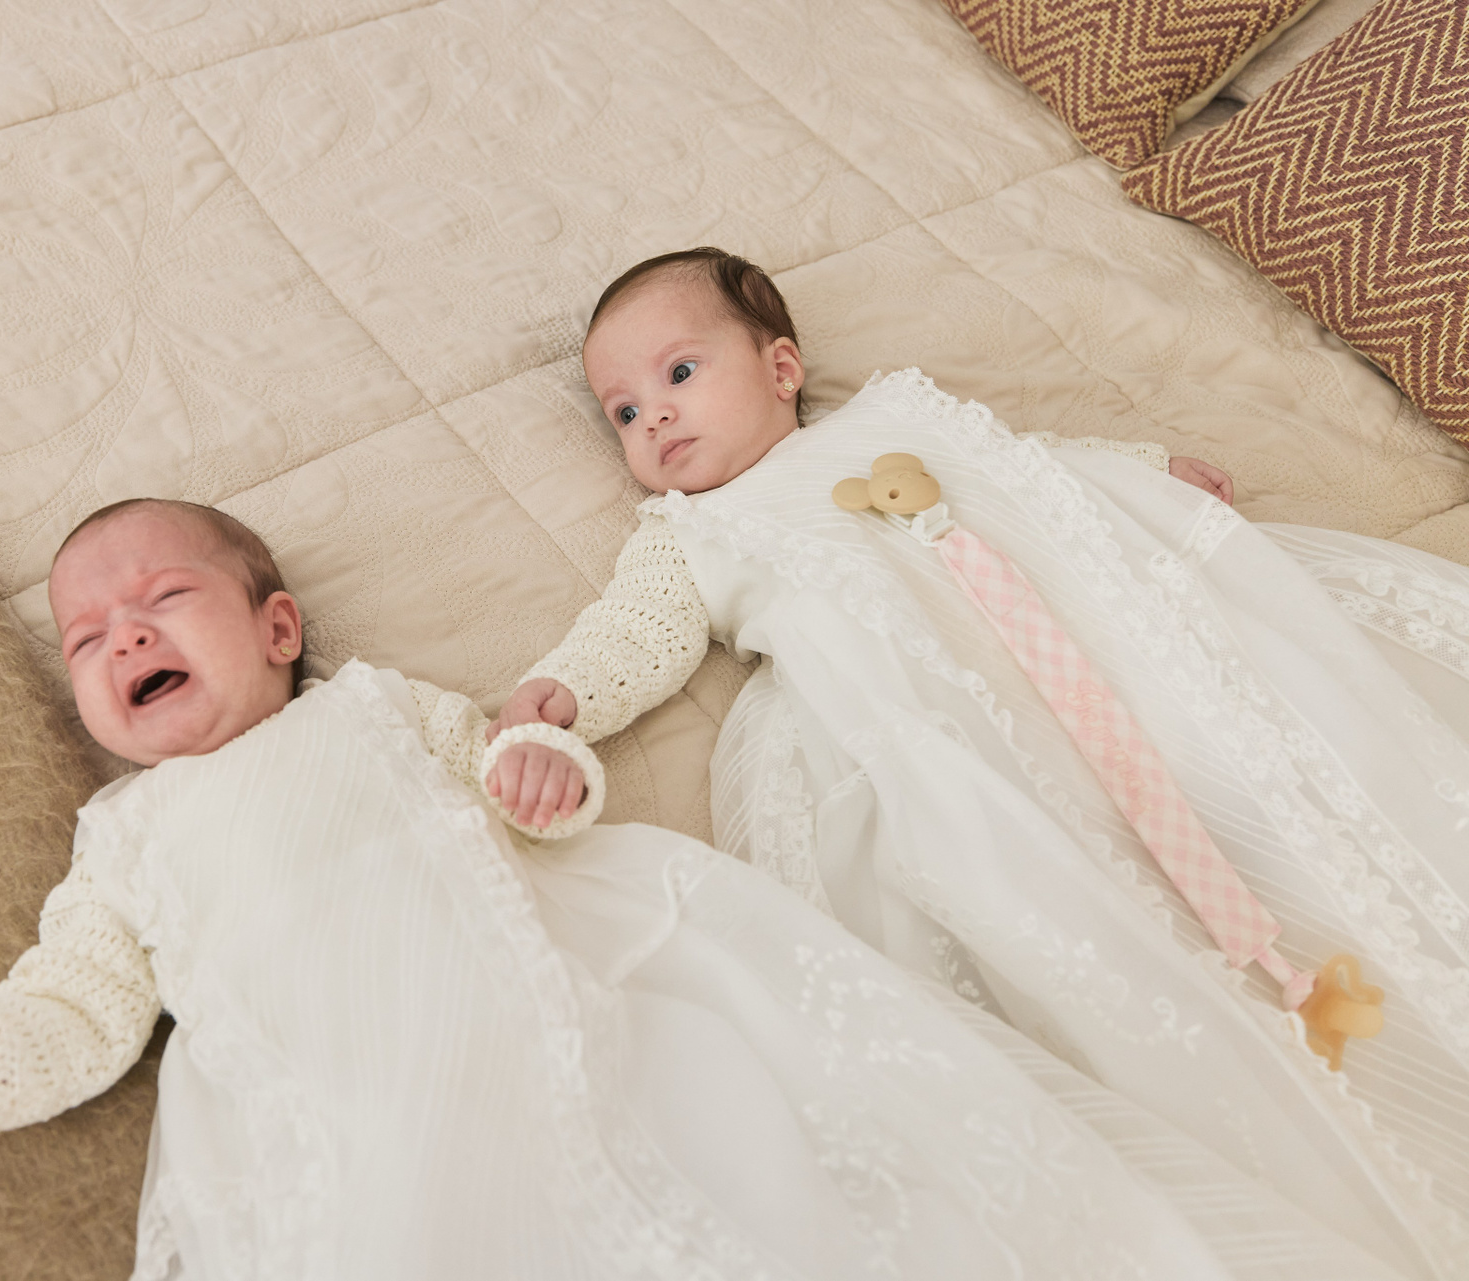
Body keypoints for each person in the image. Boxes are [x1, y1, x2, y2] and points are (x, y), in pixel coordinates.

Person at [0, 499, 1410, 1280]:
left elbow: (510, 770)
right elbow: (80, 1002)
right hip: (342, 1087)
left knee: (753, 1158)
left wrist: (548, 773)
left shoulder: (375, 708)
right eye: (88, 639)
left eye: (161, 598)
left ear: (277, 629)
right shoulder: (124, 839)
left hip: (560, 984)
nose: (124, 635)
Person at [488, 247, 1469, 1273]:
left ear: (780, 369)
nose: (654, 417)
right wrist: (558, 700)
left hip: (1083, 650)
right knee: (1044, 866)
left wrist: (1146, 465)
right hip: (938, 722)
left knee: (1219, 753)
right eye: (624, 413)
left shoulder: (893, 415)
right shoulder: (690, 534)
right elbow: (633, 633)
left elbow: (1023, 463)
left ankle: (1305, 905)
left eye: (680, 374)